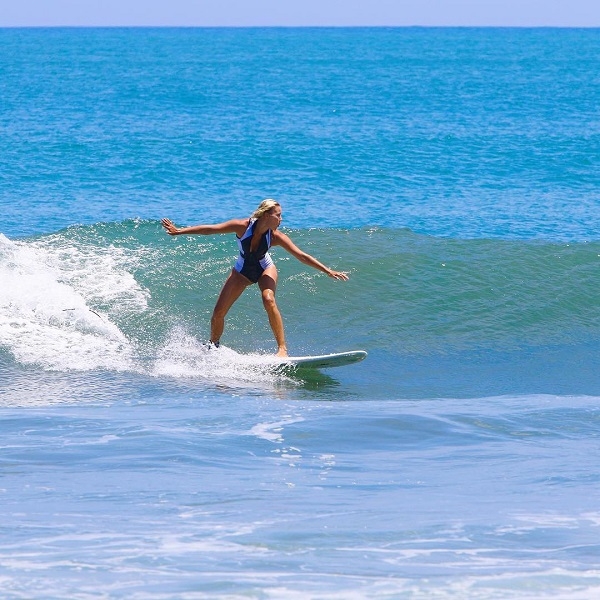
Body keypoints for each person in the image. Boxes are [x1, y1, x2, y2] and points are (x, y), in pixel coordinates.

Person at [161, 199, 349, 356]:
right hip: (242, 271)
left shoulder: (276, 237)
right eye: (278, 215)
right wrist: (179, 231)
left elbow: (301, 256)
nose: (281, 219)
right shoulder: (242, 226)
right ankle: (213, 346)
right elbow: (211, 229)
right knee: (218, 314)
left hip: (265, 267)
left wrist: (327, 270)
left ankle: (282, 348)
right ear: (267, 215)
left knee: (268, 299)